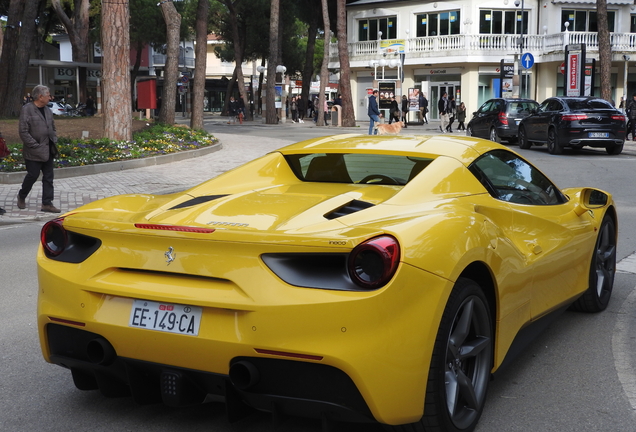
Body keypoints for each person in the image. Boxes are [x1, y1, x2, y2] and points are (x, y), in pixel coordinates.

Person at [17, 85, 60, 213]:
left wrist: (54, 138)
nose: (50, 97)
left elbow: (52, 126)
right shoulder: (27, 110)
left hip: (48, 149)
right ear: (40, 97)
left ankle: (47, 203)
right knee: (32, 176)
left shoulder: (47, 110)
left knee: (48, 177)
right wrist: (35, 145)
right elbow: (23, 132)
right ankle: (22, 195)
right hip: (33, 151)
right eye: (48, 95)